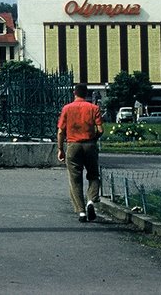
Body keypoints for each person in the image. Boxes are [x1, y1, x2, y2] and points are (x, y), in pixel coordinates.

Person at [57, 83, 104, 222]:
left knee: (75, 179)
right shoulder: (94, 108)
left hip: (73, 145)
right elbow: (100, 130)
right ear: (86, 94)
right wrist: (93, 139)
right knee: (93, 175)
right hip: (89, 145)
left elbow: (61, 131)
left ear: (74, 93)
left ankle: (81, 211)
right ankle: (91, 200)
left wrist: (60, 149)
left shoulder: (67, 108)